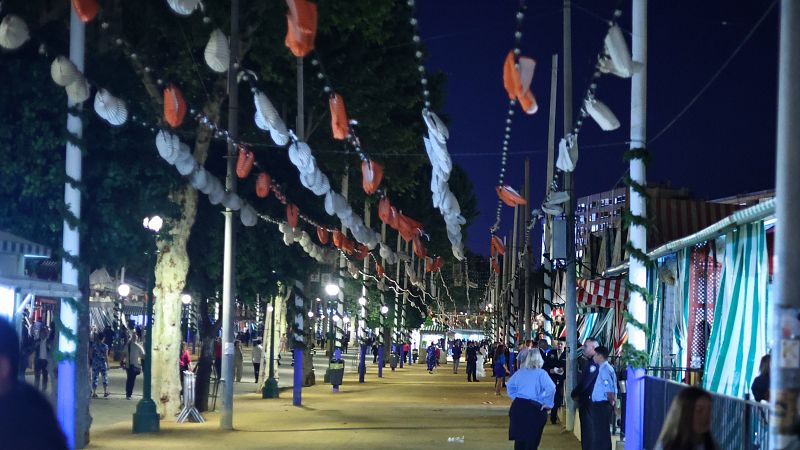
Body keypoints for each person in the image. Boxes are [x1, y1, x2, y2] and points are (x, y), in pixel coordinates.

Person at [0, 318, 68, 449]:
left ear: (3, 366)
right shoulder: (37, 406)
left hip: (44, 362)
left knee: (43, 376)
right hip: (38, 362)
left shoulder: (33, 423)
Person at [506, 349, 556, 450]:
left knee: (519, 441)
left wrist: (516, 397)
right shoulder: (541, 374)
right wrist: (548, 403)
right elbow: (551, 387)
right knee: (532, 441)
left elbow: (509, 385)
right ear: (540, 360)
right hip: (534, 408)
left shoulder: (520, 372)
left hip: (518, 407)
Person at [571, 337, 600, 450]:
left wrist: (574, 394)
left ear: (593, 347)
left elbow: (585, 383)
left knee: (588, 434)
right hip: (592, 403)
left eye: (586, 346)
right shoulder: (594, 361)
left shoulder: (593, 363)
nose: (583, 348)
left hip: (589, 403)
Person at [589, 346, 617, 450]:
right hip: (601, 405)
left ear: (600, 356)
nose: (593, 357)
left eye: (595, 355)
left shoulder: (605, 369)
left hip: (602, 405)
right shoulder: (602, 368)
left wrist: (612, 403)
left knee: (601, 433)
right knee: (599, 432)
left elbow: (609, 389)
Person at [546, 338, 567, 424]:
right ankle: (553, 417)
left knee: (560, 397)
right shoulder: (551, 353)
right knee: (554, 397)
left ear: (565, 345)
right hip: (552, 379)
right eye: (558, 344)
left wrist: (564, 369)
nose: (559, 345)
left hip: (563, 380)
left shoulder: (567, 354)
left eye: (561, 344)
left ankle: (556, 414)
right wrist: (550, 370)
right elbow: (545, 365)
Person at [121, 333, 145, 400]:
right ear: (136, 339)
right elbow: (143, 356)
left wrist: (122, 361)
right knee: (131, 380)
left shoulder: (128, 346)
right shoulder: (139, 346)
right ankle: (129, 393)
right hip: (135, 365)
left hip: (129, 365)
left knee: (129, 379)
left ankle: (128, 393)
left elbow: (123, 354)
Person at [91, 332, 110, 398]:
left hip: (95, 363)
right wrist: (108, 364)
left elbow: (91, 354)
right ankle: (105, 391)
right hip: (102, 363)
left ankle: (94, 392)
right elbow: (106, 356)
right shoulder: (105, 346)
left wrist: (91, 361)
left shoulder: (94, 345)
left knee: (95, 377)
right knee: (104, 377)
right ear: (103, 338)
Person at [33, 325, 51, 392]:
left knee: (45, 376)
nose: (42, 334)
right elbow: (33, 349)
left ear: (46, 334)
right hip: (38, 360)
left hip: (46, 361)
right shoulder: (37, 341)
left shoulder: (49, 342)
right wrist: (35, 346)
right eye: (41, 333)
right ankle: (36, 390)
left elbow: (51, 351)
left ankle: (43, 390)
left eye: (44, 333)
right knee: (37, 376)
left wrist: (49, 347)